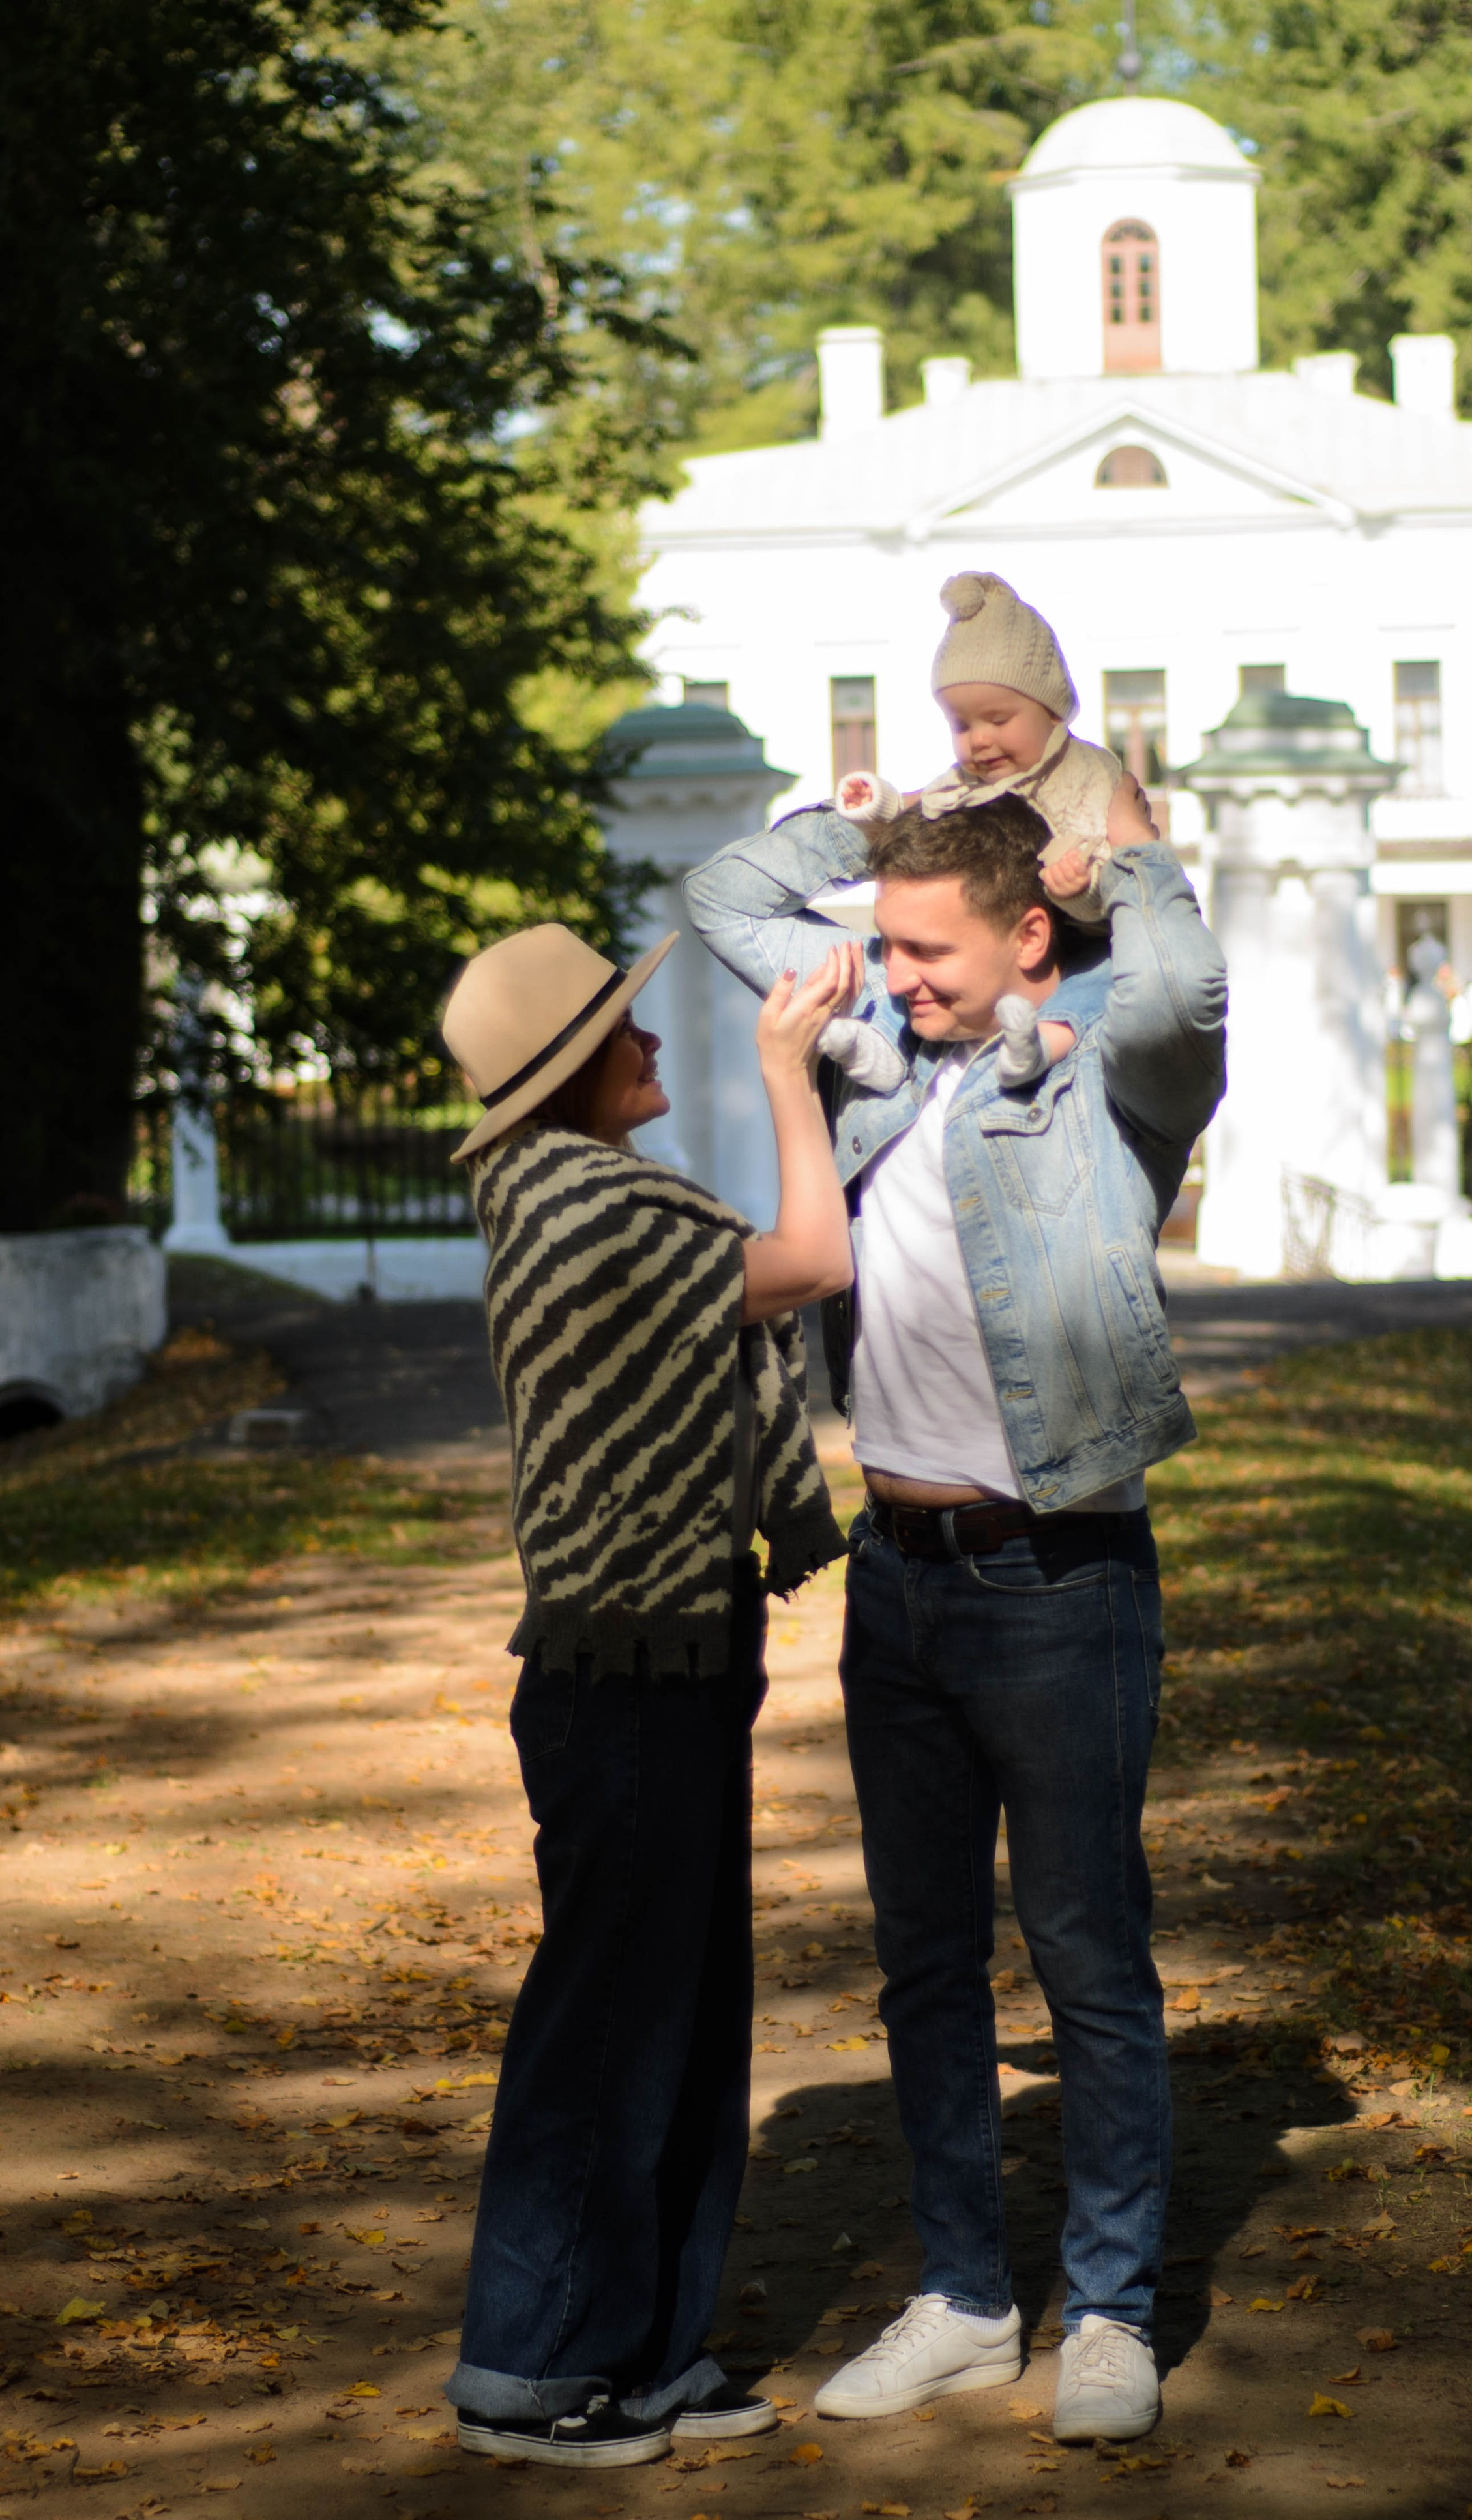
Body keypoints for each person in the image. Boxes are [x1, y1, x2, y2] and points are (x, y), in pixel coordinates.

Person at [683, 778, 1226, 2445]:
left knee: (1084, 1958)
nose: (890, 969)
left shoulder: (1106, 1081)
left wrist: (1115, 857)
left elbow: (1187, 987)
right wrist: (873, 841)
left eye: (928, 947)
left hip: (1058, 1576)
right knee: (924, 1961)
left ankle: (1113, 2312)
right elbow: (722, 895)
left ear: (1029, 938)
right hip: (898, 1581)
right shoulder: (877, 1064)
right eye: (885, 943)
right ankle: (965, 2298)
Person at [436, 920, 856, 2470]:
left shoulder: (572, 1194)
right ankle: (531, 2367)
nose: (655, 1046)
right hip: (619, 1670)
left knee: (677, 2009)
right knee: (609, 2016)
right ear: (571, 1077)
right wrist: (784, 1074)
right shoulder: (582, 1205)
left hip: (668, 1645)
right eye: (629, 1032)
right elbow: (814, 1260)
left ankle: (649, 2349)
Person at [817, 571, 1138, 1097]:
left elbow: (1125, 883)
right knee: (903, 972)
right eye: (961, 725)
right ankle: (881, 1049)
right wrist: (877, 804)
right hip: (1010, 924)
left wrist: (1080, 888)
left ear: (1053, 710)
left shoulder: (1087, 775)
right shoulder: (971, 780)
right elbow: (928, 808)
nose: (979, 741)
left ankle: (1044, 1045)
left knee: (1098, 982)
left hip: (1085, 932)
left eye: (998, 718)